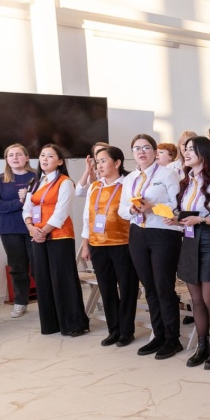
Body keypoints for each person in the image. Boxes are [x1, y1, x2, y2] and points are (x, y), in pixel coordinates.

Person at [169, 137, 210, 369]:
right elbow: (187, 214)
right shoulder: (186, 181)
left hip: (209, 242)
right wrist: (176, 220)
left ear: (203, 154)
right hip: (189, 240)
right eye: (185, 149)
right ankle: (202, 346)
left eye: (191, 150)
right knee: (195, 300)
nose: (186, 153)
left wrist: (203, 220)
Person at [119, 133, 184, 359]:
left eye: (146, 148)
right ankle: (159, 334)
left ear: (155, 152)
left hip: (164, 232)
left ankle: (173, 338)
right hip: (138, 233)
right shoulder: (130, 179)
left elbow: (177, 206)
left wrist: (152, 207)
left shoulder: (167, 174)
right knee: (149, 287)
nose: (141, 152)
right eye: (137, 148)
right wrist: (132, 209)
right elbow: (121, 209)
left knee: (163, 285)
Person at [22, 144, 90, 337]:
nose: (44, 159)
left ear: (60, 161)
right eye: (42, 155)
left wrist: (43, 231)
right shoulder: (35, 181)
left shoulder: (65, 182)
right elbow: (26, 208)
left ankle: (74, 324)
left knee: (63, 279)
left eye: (50, 156)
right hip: (37, 235)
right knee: (43, 279)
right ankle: (51, 324)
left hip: (59, 235)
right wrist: (31, 228)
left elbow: (61, 212)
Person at [80, 146, 138, 347]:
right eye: (98, 161)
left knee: (127, 288)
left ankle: (126, 331)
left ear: (118, 162)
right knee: (106, 288)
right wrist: (85, 244)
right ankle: (113, 330)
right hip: (97, 245)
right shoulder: (95, 186)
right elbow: (87, 217)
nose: (99, 165)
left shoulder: (128, 184)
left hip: (123, 243)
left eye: (104, 160)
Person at [0, 143, 36, 318]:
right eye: (11, 155)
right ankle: (20, 302)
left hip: (35, 229)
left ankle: (48, 300)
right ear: (7, 159)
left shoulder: (37, 177)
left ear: (27, 157)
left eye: (19, 154)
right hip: (10, 230)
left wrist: (29, 200)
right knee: (17, 267)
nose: (15, 158)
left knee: (38, 266)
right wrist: (19, 202)